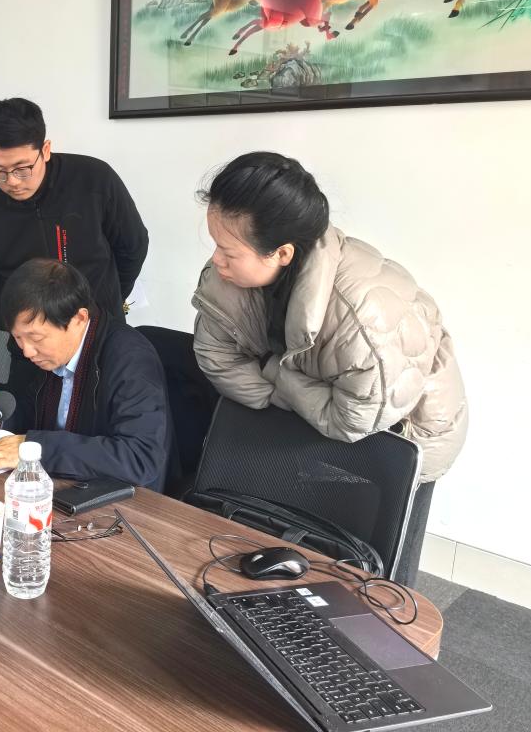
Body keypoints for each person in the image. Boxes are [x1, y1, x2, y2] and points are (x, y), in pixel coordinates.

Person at [191, 151, 468, 586]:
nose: (216, 261)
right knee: (293, 537)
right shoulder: (225, 278)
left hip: (399, 432)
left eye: (228, 251)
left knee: (376, 574)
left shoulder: (364, 318)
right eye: (215, 245)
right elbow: (216, 357)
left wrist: (271, 372)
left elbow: (351, 419)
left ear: (282, 253)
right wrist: (283, 389)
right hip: (312, 408)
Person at [0, 259, 174, 491]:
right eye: (18, 338)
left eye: (36, 338)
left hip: (123, 498)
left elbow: (140, 457)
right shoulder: (47, 353)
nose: (27, 351)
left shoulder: (129, 358)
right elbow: (34, 412)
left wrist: (36, 447)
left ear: (79, 319)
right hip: (60, 484)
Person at [0, 97, 148, 320]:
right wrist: (27, 315)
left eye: (22, 168)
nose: (12, 182)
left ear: (45, 150)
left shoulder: (94, 179)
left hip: (101, 322)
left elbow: (132, 247)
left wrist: (108, 299)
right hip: (31, 331)